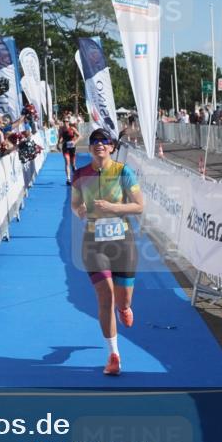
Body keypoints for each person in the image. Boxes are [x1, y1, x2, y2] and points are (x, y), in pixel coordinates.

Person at [71, 128, 144, 376]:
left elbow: (139, 206)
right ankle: (113, 355)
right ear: (90, 148)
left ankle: (125, 308)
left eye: (104, 141)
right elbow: (75, 203)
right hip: (93, 242)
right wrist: (79, 210)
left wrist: (112, 207)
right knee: (106, 296)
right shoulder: (80, 174)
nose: (99, 144)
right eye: (94, 141)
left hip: (122, 242)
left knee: (122, 300)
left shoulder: (123, 171)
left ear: (112, 147)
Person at [58, 115, 80, 184]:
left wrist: (75, 142)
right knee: (67, 162)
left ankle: (75, 173)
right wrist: (58, 144)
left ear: (68, 122)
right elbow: (60, 138)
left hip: (72, 148)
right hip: (65, 147)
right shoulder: (61, 129)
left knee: (73, 164)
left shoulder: (72, 128)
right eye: (64, 121)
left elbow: (80, 136)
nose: (65, 123)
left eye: (67, 121)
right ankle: (68, 179)